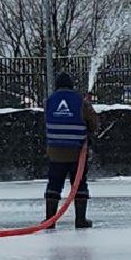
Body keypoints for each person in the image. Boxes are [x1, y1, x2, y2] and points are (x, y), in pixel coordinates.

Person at [44, 70, 97, 228]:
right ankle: (80, 220)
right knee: (79, 183)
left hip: (55, 152)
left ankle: (49, 221)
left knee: (54, 184)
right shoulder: (80, 101)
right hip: (77, 153)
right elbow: (94, 123)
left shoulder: (49, 100)